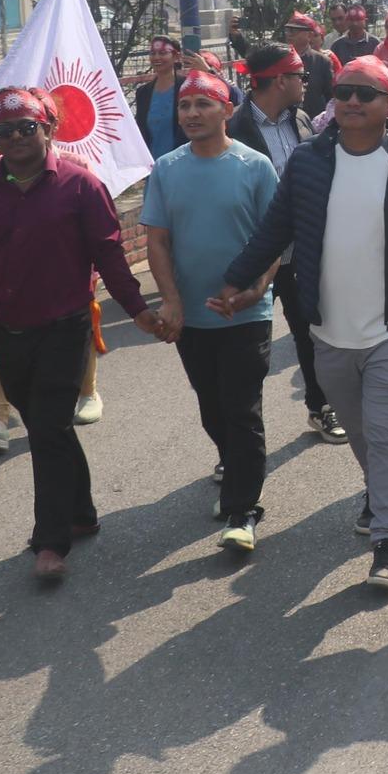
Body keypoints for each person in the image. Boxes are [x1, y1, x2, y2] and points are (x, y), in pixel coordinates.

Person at [214, 55, 388, 592]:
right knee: (360, 430)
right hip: (329, 327)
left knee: (385, 430)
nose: (352, 101)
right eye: (344, 91)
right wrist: (235, 281)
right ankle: (380, 491)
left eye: (365, 93)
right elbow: (274, 230)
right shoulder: (308, 162)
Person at [0, 88, 163, 579]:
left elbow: (110, 258)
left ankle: (50, 541)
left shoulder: (81, 186)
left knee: (46, 428)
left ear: (48, 128)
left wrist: (140, 312)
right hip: (10, 333)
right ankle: (81, 513)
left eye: (26, 127)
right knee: (48, 426)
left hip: (66, 328)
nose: (16, 137)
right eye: (5, 130)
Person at [141, 69, 280, 550]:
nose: (192, 113)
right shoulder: (167, 169)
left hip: (246, 313)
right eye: (185, 105)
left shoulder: (255, 166)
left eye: (204, 104)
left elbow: (273, 238)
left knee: (241, 408)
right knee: (212, 408)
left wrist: (257, 287)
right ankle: (236, 467)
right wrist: (171, 299)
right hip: (193, 317)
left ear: (227, 110)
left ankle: (243, 509)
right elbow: (157, 240)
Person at [227, 44, 344, 442]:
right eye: (300, 77)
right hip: (255, 254)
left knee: (311, 334)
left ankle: (321, 406)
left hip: (303, 252)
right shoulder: (233, 128)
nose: (305, 84)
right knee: (248, 351)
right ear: (280, 80)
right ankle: (239, 440)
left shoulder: (303, 119)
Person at [133, 36, 188, 156]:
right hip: (152, 162)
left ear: (176, 56)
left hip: (182, 160)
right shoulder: (143, 93)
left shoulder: (187, 87)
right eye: (153, 53)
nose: (157, 57)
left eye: (163, 53)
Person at [282, 13, 340, 119]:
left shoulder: (322, 62)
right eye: (288, 30)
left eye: (294, 31)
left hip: (312, 122)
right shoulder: (280, 59)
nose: (289, 34)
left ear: (309, 35)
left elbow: (331, 97)